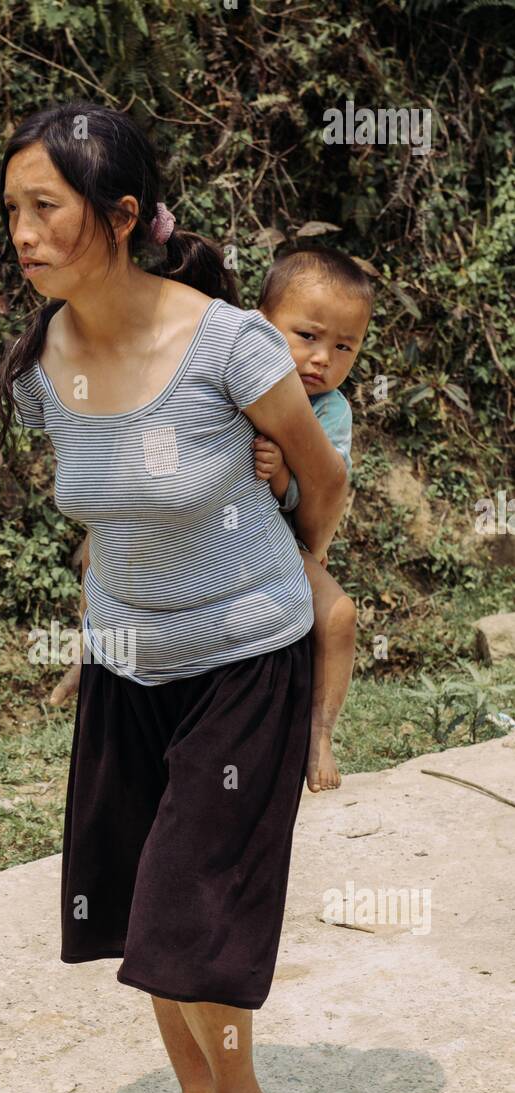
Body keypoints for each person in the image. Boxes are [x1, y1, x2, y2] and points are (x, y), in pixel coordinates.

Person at [0, 103, 348, 1093]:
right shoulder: (44, 362)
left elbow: (320, 479)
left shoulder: (230, 342)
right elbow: (108, 512)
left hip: (243, 662)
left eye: (47, 207)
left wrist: (294, 574)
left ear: (123, 215)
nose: (25, 233)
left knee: (194, 912)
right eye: (13, 212)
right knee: (142, 914)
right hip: (124, 665)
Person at [252, 246, 369, 791]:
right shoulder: (234, 379)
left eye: (343, 346)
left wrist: (283, 478)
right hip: (214, 544)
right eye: (308, 336)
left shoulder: (332, 410)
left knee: (340, 615)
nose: (323, 358)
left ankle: (320, 732)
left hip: (286, 544)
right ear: (261, 324)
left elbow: (325, 486)